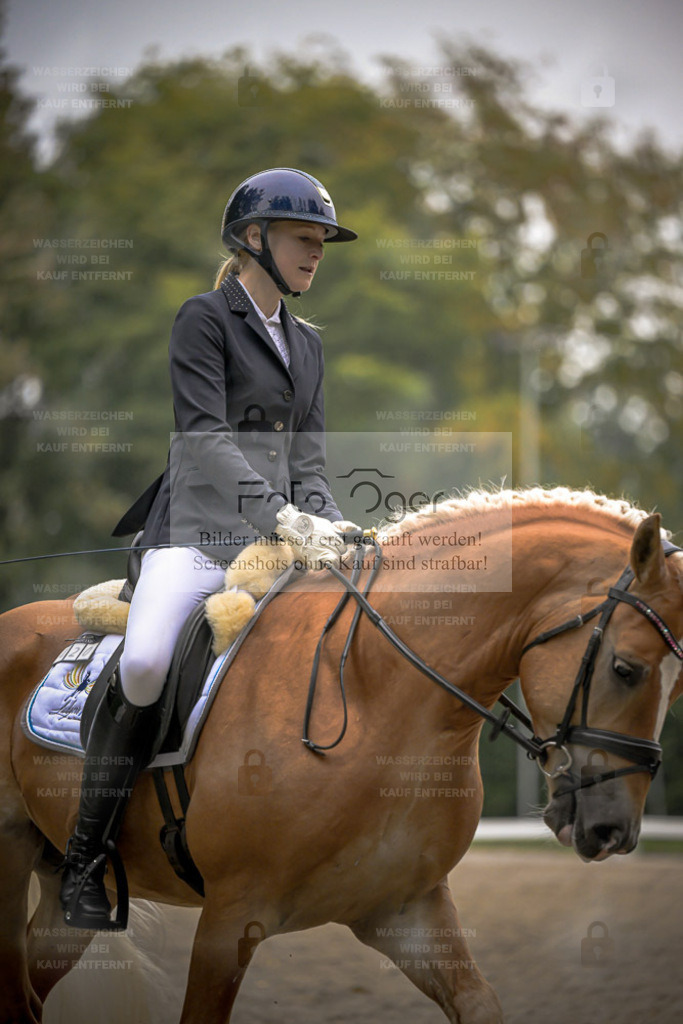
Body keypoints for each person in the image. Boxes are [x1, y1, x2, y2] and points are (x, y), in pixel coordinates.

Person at [60, 167, 359, 928]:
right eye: (302, 238)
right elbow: (204, 437)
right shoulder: (203, 318)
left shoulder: (308, 345)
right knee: (145, 662)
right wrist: (284, 515)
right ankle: (85, 859)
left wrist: (330, 523)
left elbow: (309, 464)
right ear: (253, 238)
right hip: (192, 538)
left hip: (273, 546)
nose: (315, 253)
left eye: (321, 242)